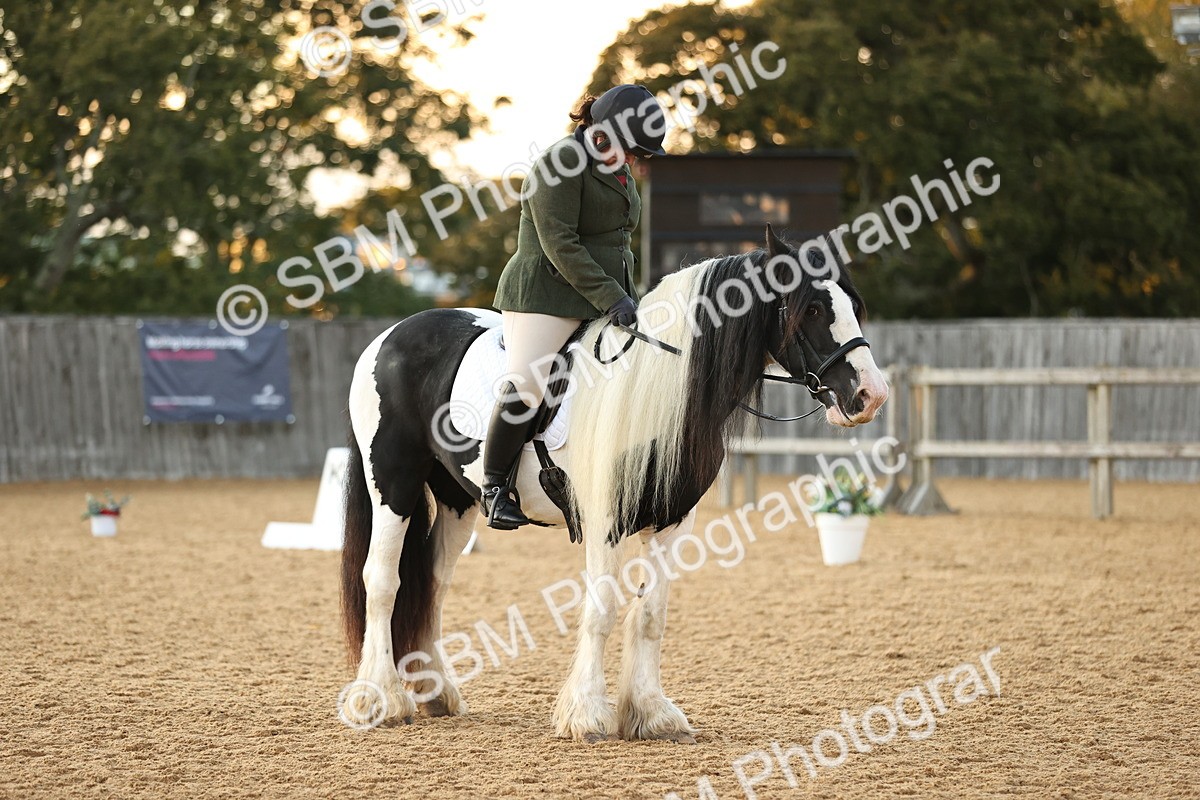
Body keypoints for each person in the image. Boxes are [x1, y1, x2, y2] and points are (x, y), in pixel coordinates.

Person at [480, 84, 667, 530]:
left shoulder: (615, 167)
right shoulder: (559, 165)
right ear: (602, 134)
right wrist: (612, 297)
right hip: (546, 293)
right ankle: (494, 487)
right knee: (531, 379)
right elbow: (561, 245)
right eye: (631, 150)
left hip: (607, 293)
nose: (635, 162)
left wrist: (626, 296)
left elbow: (617, 239)